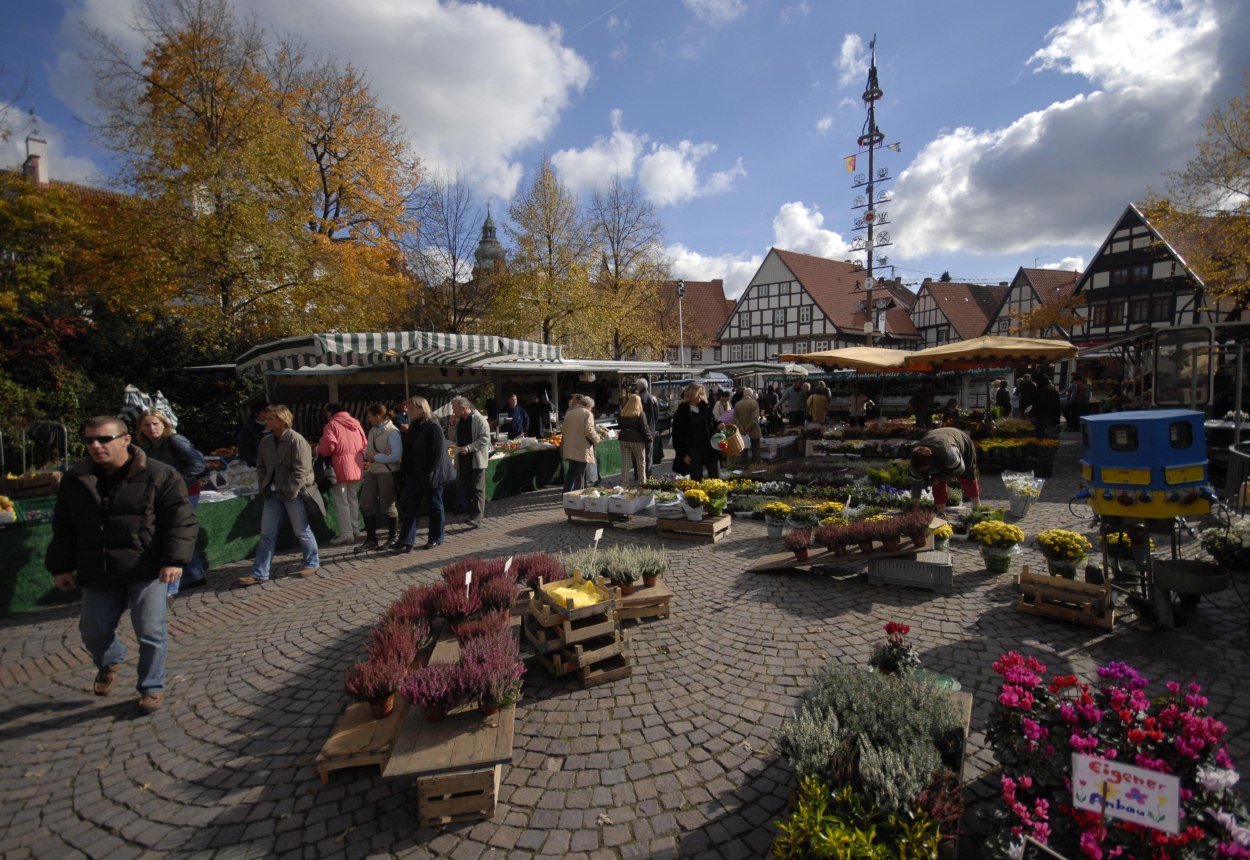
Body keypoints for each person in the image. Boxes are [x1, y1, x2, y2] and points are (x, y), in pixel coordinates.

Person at [47, 416, 198, 714]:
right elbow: (64, 526)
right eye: (90, 439)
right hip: (97, 568)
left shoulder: (160, 474)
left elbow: (181, 520)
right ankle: (111, 658)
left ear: (126, 440)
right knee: (93, 631)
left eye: (104, 439)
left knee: (150, 631)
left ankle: (152, 686)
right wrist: (60, 566)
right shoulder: (76, 479)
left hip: (146, 567)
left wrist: (174, 559)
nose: (95, 445)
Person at [238, 406, 321, 585]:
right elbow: (261, 466)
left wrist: (290, 490)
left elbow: (302, 469)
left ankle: (312, 562)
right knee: (267, 533)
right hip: (272, 494)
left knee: (301, 530)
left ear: (282, 421)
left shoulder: (296, 440)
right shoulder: (265, 442)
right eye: (266, 418)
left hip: (293, 494)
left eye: (270, 419)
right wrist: (264, 485)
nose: (266, 421)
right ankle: (260, 573)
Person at [135, 409, 209, 596]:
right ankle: (195, 574)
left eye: (155, 424)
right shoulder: (148, 446)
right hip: (165, 495)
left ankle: (170, 589)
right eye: (147, 425)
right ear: (140, 428)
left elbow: (199, 465)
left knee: (174, 532)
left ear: (164, 424)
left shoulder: (175, 440)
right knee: (174, 532)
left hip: (184, 493)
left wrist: (177, 483)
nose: (152, 428)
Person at [394, 397, 456, 551]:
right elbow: (408, 450)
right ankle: (406, 540)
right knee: (411, 507)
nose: (409, 411)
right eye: (409, 408)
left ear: (422, 409)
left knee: (435, 506)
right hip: (415, 473)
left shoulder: (433, 426)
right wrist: (406, 469)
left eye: (413, 408)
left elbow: (437, 454)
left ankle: (436, 537)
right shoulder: (414, 426)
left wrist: (428, 472)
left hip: (432, 474)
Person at [317, 404, 367, 546]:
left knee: (341, 501)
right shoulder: (356, 424)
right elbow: (365, 444)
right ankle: (355, 529)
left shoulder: (331, 425)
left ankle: (347, 534)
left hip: (339, 468)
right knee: (352, 498)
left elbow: (328, 448)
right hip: (356, 467)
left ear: (330, 412)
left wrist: (319, 446)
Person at [908, 426, 982, 516]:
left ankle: (977, 507)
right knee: (936, 483)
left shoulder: (950, 454)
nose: (924, 472)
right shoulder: (915, 460)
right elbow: (916, 484)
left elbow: (960, 470)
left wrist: (941, 477)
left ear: (931, 462)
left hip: (962, 441)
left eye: (925, 469)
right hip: (936, 438)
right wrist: (915, 506)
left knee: (967, 478)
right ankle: (941, 513)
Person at [358, 403, 401, 550]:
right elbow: (367, 450)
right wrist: (369, 455)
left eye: (370, 417)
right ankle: (371, 540)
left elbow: (396, 455)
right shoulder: (372, 431)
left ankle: (392, 538)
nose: (369, 420)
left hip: (387, 472)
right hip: (373, 471)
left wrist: (377, 457)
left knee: (388, 506)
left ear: (378, 416)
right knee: (365, 504)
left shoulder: (393, 432)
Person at [451, 397, 490, 528]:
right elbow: (453, 437)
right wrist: (451, 426)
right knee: (467, 487)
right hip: (462, 459)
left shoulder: (479, 420)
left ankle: (478, 517)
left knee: (477, 488)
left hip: (476, 460)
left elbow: (485, 439)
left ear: (463, 409)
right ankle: (471, 513)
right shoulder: (459, 421)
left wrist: (469, 448)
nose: (453, 411)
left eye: (454, 408)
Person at [672, 382, 721, 479]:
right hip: (693, 450)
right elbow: (677, 436)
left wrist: (719, 424)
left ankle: (715, 493)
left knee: (715, 475)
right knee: (696, 478)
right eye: (699, 393)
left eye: (702, 393)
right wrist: (683, 454)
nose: (701, 396)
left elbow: (713, 421)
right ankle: (698, 494)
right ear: (692, 393)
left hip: (709, 446)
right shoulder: (682, 411)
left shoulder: (705, 407)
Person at [561, 395, 603, 491]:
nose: (591, 409)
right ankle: (579, 495)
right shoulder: (587, 413)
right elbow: (589, 430)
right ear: (588, 405)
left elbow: (563, 430)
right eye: (591, 407)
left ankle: (566, 494)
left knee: (572, 471)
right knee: (580, 473)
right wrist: (597, 439)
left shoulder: (569, 413)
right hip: (582, 447)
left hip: (571, 446)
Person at [616, 393, 653, 485]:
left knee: (625, 463)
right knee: (640, 462)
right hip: (637, 440)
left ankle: (624, 483)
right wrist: (649, 439)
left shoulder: (623, 413)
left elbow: (620, 424)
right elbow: (645, 428)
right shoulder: (640, 414)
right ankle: (642, 483)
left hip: (624, 439)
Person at [635, 379, 662, 476]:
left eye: (637, 386)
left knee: (639, 454)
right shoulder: (653, 398)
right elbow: (656, 415)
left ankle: (639, 474)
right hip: (651, 428)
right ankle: (648, 474)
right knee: (648, 454)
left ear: (640, 386)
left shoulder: (637, 398)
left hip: (638, 429)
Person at [732, 387, 762, 465]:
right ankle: (755, 465)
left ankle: (745, 465)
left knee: (743, 449)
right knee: (755, 448)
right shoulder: (754, 403)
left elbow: (735, 419)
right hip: (753, 430)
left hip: (742, 432)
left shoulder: (737, 404)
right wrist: (748, 427)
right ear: (750, 394)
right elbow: (755, 419)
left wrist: (742, 428)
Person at [236, 399, 268, 467]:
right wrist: (259, 464)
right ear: (256, 413)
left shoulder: (274, 426)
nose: (267, 414)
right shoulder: (247, 429)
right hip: (257, 468)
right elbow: (244, 452)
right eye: (264, 412)